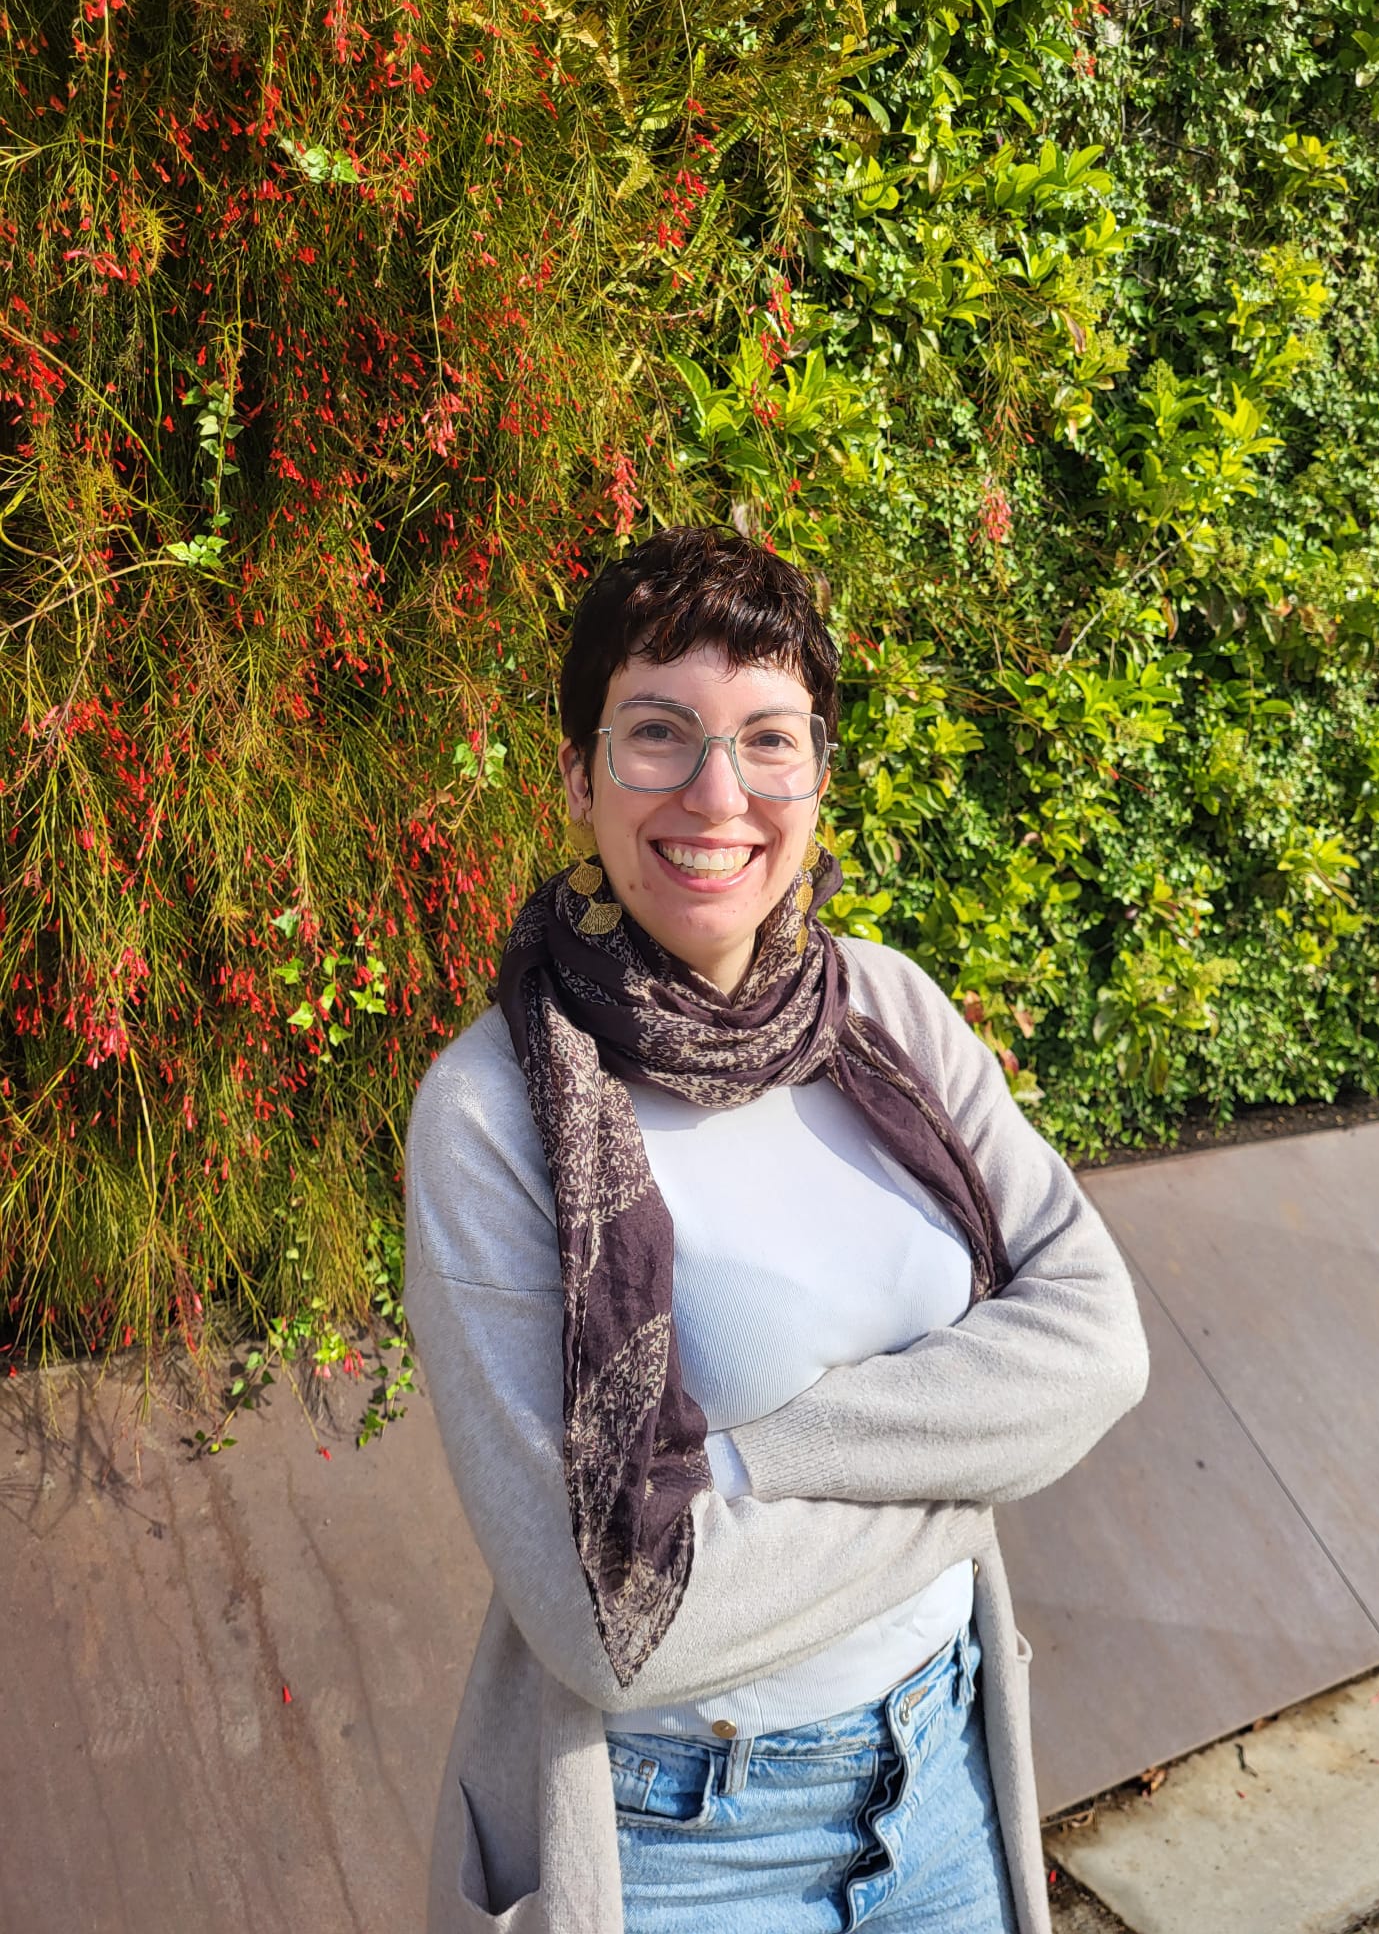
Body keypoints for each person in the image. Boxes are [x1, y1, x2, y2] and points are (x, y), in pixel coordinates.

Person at [403, 524, 1150, 1934]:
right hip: (686, 1851)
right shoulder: (493, 1117)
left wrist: (754, 1461)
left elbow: (1101, 1346)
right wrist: (972, 1470)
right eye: (658, 734)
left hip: (944, 1787)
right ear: (577, 773)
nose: (716, 790)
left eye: (768, 738)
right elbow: (616, 1629)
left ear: (817, 774)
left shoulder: (887, 1013)